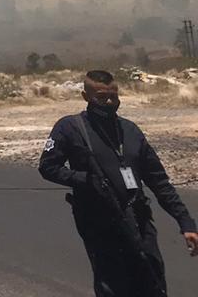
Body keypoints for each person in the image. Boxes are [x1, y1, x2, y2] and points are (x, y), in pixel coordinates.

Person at [39, 69, 198, 295]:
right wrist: (84, 179)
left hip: (138, 219)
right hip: (98, 222)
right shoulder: (71, 128)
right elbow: (48, 167)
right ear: (86, 97)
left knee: (152, 280)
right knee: (113, 286)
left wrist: (186, 222)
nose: (109, 102)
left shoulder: (130, 130)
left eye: (114, 96)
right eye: (101, 97)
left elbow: (159, 181)